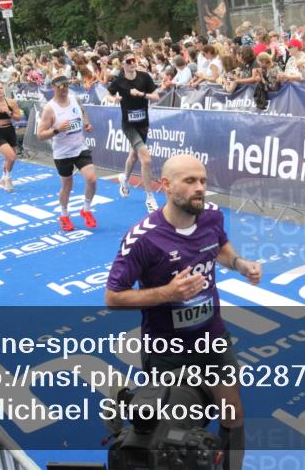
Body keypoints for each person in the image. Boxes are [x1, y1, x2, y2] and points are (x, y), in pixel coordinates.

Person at [105, 154, 261, 470]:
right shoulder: (142, 238)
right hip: (166, 349)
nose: (199, 188)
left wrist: (239, 264)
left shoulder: (212, 216)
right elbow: (112, 296)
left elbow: (221, 247)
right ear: (166, 185)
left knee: (233, 412)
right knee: (171, 429)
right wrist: (169, 293)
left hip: (212, 339)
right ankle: (128, 403)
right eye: (190, 181)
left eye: (202, 180)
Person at [37, 75, 98, 231]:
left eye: (66, 86)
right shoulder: (50, 109)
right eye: (61, 87)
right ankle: (64, 215)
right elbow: (40, 134)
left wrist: (87, 123)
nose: (64, 90)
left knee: (91, 179)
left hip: (79, 148)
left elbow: (83, 112)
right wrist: (57, 130)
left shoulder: (74, 98)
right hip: (62, 152)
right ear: (54, 88)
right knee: (67, 187)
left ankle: (86, 210)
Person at [106, 54, 161, 213]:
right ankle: (150, 198)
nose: (132, 64)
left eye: (134, 61)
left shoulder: (144, 77)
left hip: (143, 124)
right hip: (128, 125)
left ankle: (125, 179)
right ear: (122, 64)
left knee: (134, 155)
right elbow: (108, 95)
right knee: (146, 158)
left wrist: (142, 94)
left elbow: (156, 97)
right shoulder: (119, 81)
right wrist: (113, 100)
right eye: (129, 62)